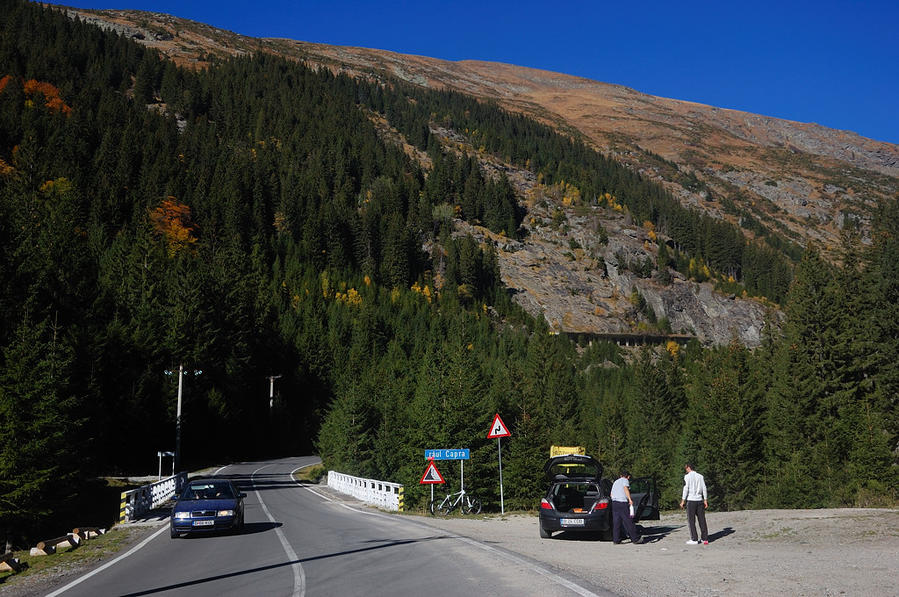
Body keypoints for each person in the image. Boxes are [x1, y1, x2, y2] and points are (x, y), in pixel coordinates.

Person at [680, 463, 709, 545]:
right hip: (699, 500)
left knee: (691, 521)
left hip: (691, 500)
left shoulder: (687, 476)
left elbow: (686, 488)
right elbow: (704, 488)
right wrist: (705, 499)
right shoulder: (700, 476)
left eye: (686, 468)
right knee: (702, 520)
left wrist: (683, 500)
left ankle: (694, 539)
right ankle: (705, 538)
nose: (686, 470)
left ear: (689, 468)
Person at [610, 470, 641, 544]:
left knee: (616, 522)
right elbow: (625, 489)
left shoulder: (615, 482)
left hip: (614, 503)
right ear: (628, 476)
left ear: (620, 475)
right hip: (622, 503)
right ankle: (635, 538)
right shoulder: (625, 480)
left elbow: (611, 494)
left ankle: (616, 540)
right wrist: (630, 499)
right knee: (628, 521)